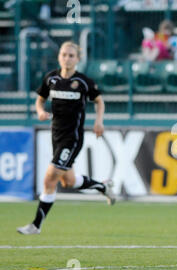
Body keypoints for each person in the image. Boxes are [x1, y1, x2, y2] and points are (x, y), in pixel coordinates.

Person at [17, 41, 115, 235]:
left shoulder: (83, 82)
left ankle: (36, 225)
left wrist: (99, 122)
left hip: (72, 137)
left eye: (71, 55)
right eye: (64, 54)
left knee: (49, 179)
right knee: (68, 181)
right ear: (59, 57)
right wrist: (39, 111)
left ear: (78, 59)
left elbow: (99, 101)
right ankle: (103, 186)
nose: (67, 58)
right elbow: (40, 100)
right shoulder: (51, 79)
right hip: (56, 135)